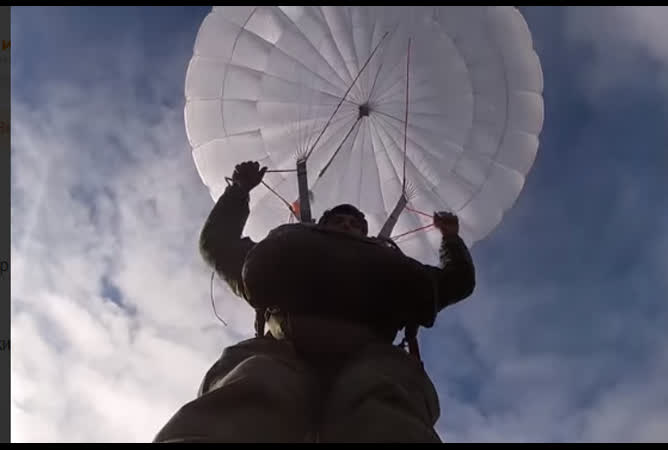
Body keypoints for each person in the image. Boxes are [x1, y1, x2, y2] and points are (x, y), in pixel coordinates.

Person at [153, 161, 475, 443]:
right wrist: (238, 191)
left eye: (355, 224)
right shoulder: (292, 249)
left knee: (384, 407)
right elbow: (217, 245)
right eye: (340, 221)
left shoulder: (389, 262)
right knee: (255, 387)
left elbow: (457, 282)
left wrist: (450, 238)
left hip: (370, 355)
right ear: (321, 226)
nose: (347, 225)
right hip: (284, 348)